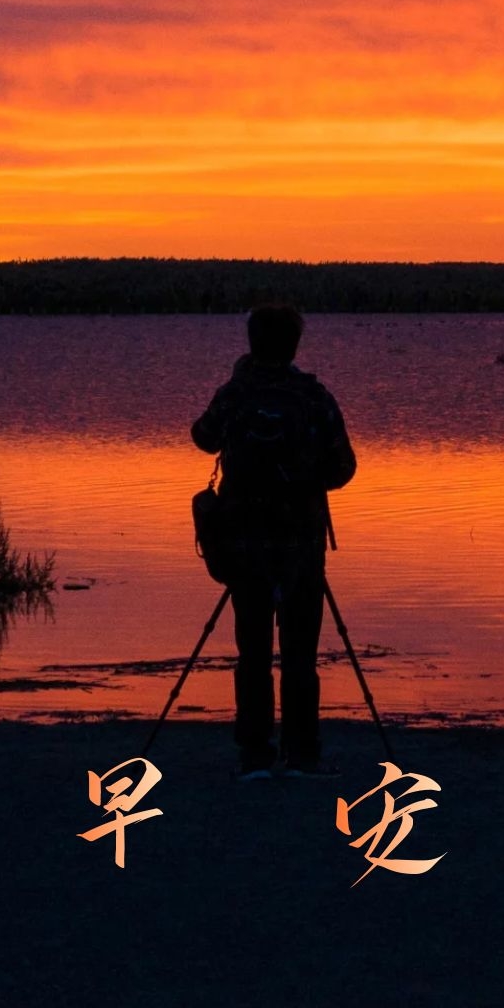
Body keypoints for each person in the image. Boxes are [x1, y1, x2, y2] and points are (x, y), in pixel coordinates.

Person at [191, 303, 356, 780]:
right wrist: (304, 481)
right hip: (302, 546)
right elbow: (344, 467)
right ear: (294, 345)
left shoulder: (235, 394)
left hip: (245, 546)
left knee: (254, 653)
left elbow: (203, 438)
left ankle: (255, 755)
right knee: (301, 655)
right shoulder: (313, 397)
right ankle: (303, 755)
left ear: (251, 341)